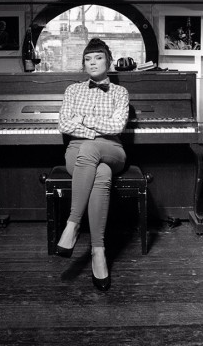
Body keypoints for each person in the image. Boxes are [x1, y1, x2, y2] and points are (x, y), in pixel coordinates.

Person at [55, 38, 129, 292]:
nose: (93, 63)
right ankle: (98, 251)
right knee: (101, 172)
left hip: (112, 148)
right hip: (77, 152)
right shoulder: (72, 90)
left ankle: (72, 224)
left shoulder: (120, 92)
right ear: (83, 64)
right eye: (88, 59)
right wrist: (96, 130)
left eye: (98, 58)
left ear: (108, 61)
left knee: (92, 149)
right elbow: (64, 124)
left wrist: (84, 119)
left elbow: (117, 126)